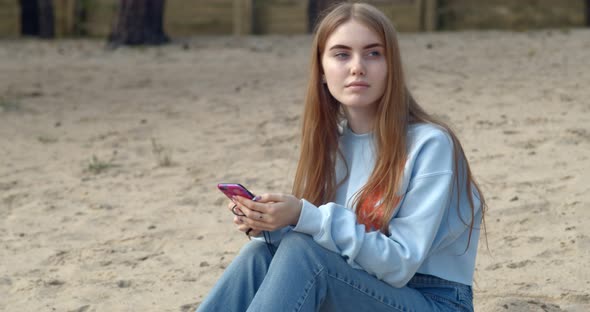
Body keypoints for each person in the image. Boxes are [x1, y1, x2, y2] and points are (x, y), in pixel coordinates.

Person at [197, 2, 486, 312]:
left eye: (374, 53)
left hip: (432, 300)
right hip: (360, 286)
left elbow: (401, 263)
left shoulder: (430, 144)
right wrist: (270, 224)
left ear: (392, 66)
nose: (357, 66)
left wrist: (302, 215)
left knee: (303, 252)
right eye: (341, 54)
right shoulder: (331, 147)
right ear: (322, 70)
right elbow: (330, 242)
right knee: (259, 254)